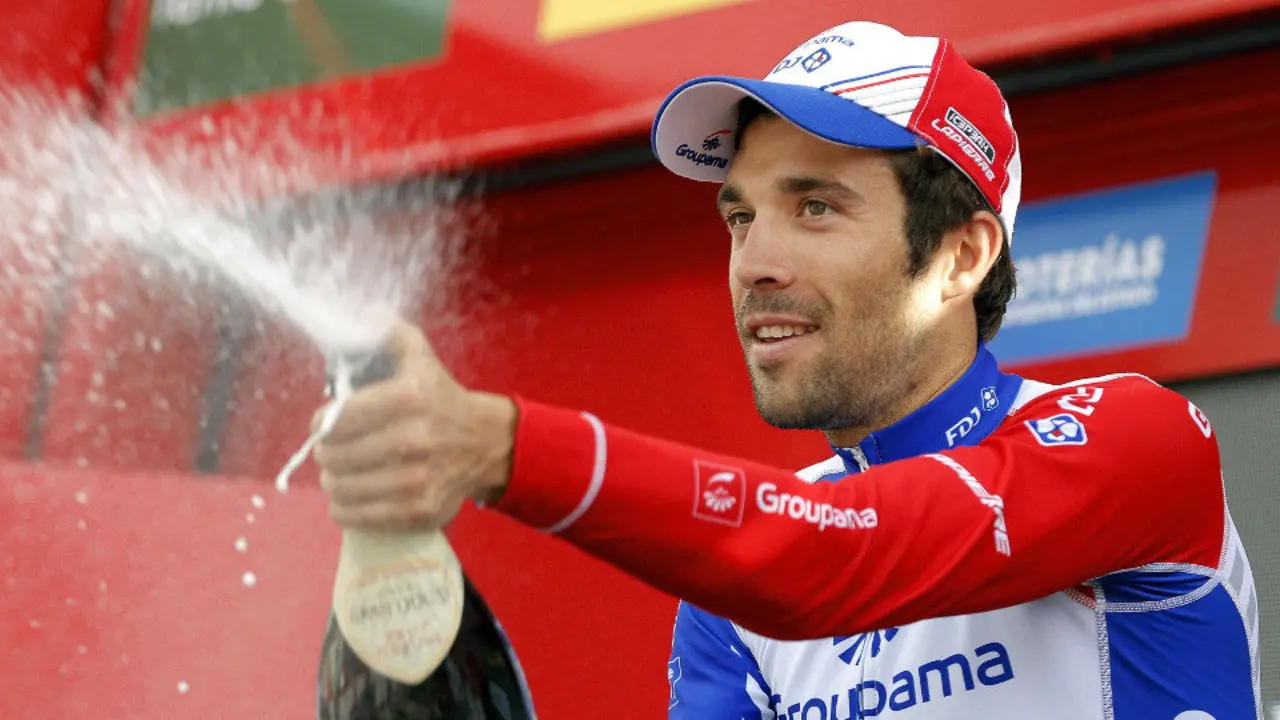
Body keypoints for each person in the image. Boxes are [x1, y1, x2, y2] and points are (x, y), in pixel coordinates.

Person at [311, 21, 1263, 720]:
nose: (754, 260)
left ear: (963, 257)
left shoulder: (1135, 441)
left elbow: (829, 560)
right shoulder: (727, 606)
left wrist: (498, 446)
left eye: (814, 207)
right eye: (740, 215)